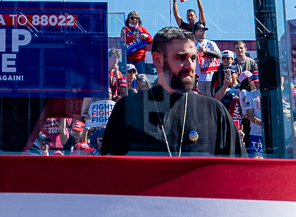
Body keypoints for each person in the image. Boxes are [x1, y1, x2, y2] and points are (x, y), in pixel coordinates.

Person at [101, 25, 244, 156]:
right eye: (181, 57)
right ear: (157, 60)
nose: (190, 65)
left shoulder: (214, 111)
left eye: (193, 58)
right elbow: (111, 171)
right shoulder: (128, 109)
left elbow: (237, 169)